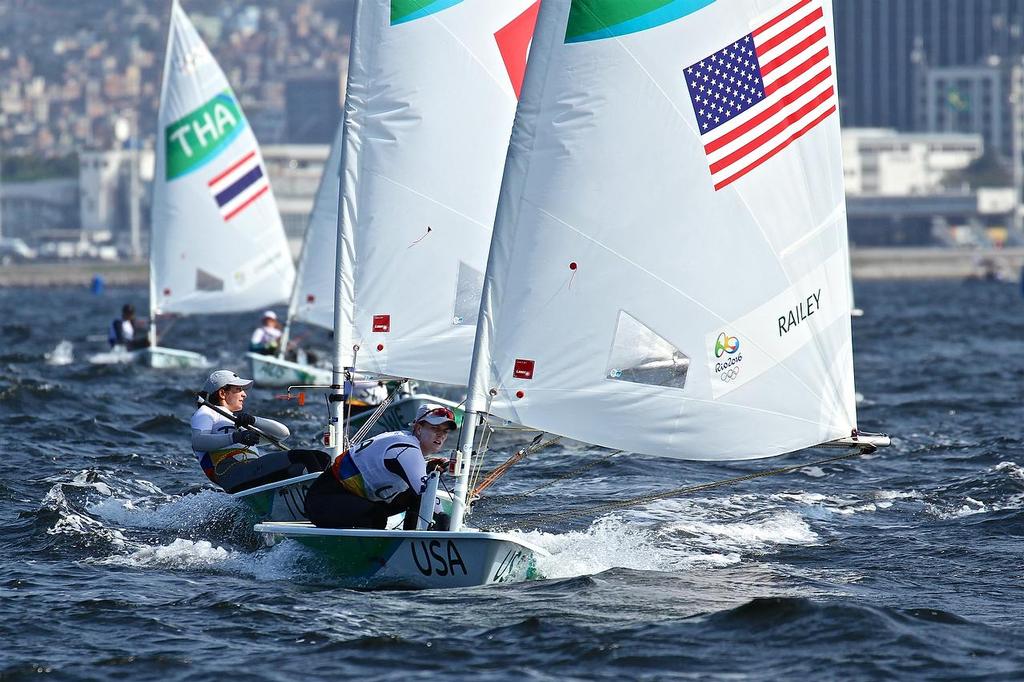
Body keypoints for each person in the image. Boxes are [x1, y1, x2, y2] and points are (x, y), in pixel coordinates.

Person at [304, 403, 457, 530]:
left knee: (412, 497)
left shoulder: (405, 442)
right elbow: (426, 492)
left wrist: (426, 467)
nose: (441, 435)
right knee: (377, 517)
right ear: (418, 428)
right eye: (435, 429)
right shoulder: (407, 450)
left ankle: (411, 539)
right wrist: (444, 520)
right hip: (323, 501)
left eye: (445, 431)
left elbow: (401, 470)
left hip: (348, 498)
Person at [190, 369, 331, 494]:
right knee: (303, 457)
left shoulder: (236, 420)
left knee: (322, 458)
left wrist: (253, 420)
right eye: (239, 389)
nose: (244, 394)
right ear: (222, 393)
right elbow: (198, 442)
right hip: (231, 473)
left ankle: (312, 496)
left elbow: (283, 434)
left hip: (250, 471)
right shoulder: (206, 412)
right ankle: (321, 496)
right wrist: (236, 437)